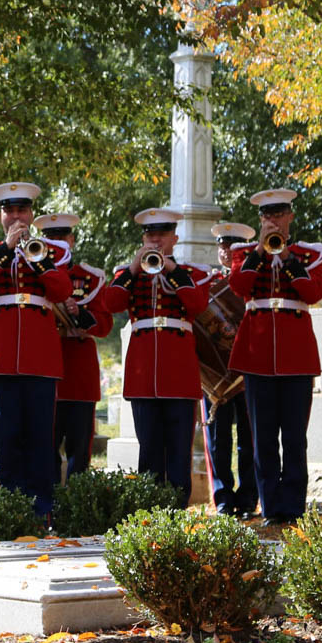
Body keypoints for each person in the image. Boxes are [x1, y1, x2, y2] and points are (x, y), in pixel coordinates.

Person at [0, 181, 72, 518]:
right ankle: (10, 510)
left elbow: (60, 289)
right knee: (7, 439)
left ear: (31, 214)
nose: (15, 216)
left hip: (39, 357)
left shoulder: (52, 250)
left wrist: (34, 255)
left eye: (21, 210)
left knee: (41, 439)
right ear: (0, 215)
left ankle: (43, 509)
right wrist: (5, 249)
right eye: (9, 210)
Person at [227, 188, 322, 527]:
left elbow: (314, 292)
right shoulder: (244, 254)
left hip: (296, 354)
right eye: (267, 215)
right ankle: (271, 507)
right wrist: (260, 252)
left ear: (290, 217)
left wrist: (289, 260)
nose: (273, 220)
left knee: (295, 437)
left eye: (279, 214)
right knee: (263, 437)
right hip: (256, 355)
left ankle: (294, 506)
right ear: (260, 219)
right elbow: (239, 286)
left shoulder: (308, 255)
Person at [101, 207, 210, 495]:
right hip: (143, 371)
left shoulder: (193, 273)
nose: (156, 240)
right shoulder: (127, 274)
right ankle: (149, 511)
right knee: (149, 447)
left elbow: (197, 305)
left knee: (178, 450)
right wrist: (134, 268)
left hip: (179, 370)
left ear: (174, 237)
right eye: (150, 234)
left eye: (162, 234)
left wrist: (172, 271)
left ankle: (176, 509)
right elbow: (111, 303)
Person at [37, 212, 111, 480]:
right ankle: (49, 508)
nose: (57, 244)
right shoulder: (33, 275)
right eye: (50, 239)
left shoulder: (89, 278)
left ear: (72, 239)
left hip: (78, 371)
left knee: (80, 451)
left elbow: (104, 325)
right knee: (45, 449)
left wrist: (78, 313)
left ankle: (76, 509)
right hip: (45, 368)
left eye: (62, 238)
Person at [203, 222, 259, 517]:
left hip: (246, 369)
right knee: (218, 437)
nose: (226, 251)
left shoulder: (250, 282)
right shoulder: (208, 282)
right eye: (223, 246)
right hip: (215, 374)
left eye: (233, 246)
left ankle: (249, 495)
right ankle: (223, 496)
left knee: (249, 437)